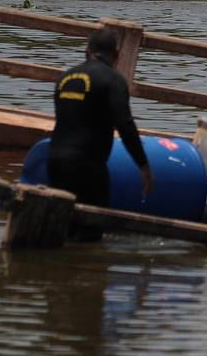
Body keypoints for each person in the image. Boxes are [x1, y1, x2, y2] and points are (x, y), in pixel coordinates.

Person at [48, 27, 154, 240]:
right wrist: (143, 165)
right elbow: (125, 126)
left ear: (87, 51)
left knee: (60, 228)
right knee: (90, 235)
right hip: (88, 168)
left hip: (55, 162)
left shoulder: (66, 77)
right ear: (117, 55)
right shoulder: (113, 80)